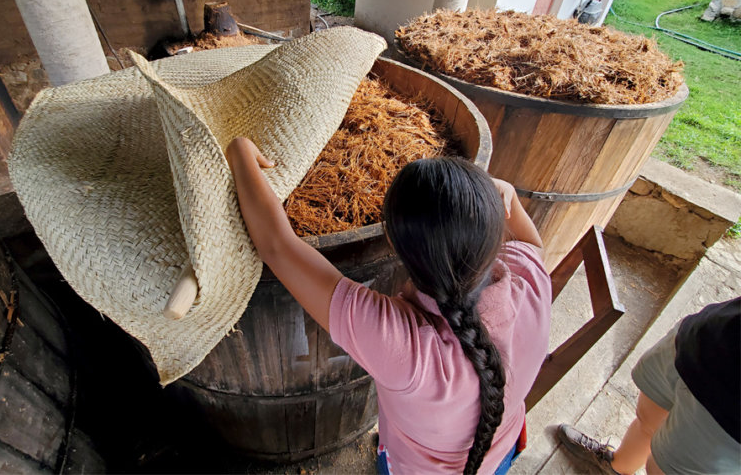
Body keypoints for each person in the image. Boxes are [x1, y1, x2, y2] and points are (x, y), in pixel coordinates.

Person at [226, 137, 552, 474]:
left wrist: (239, 154)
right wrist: (506, 192)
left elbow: (277, 246)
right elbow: (531, 243)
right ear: (495, 230)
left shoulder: (405, 348)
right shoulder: (531, 283)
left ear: (395, 246)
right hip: (501, 451)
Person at [558, 296, 740, 475]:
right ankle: (614, 468)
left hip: (726, 418)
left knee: (660, 469)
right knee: (647, 419)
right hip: (704, 338)